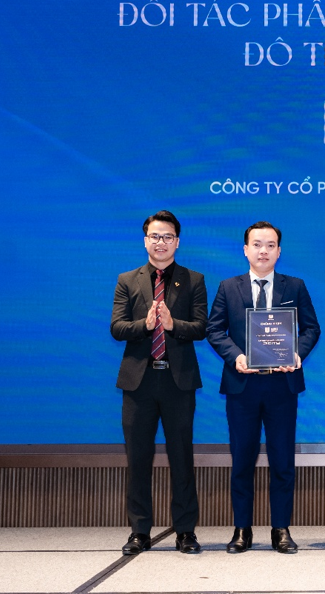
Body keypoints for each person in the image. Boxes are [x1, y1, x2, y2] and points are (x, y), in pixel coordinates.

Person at [207, 221, 321, 554]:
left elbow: (311, 329)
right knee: (242, 460)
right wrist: (236, 356)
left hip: (281, 386)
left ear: (279, 251)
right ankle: (242, 529)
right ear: (245, 250)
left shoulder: (294, 286)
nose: (263, 251)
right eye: (257, 244)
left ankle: (280, 529)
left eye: (270, 245)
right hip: (242, 387)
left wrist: (296, 354)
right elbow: (215, 330)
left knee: (282, 461)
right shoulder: (229, 287)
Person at [111, 210, 208, 556]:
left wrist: (172, 324)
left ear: (177, 242)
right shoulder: (127, 280)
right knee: (138, 459)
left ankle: (186, 531)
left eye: (167, 236)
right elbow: (117, 327)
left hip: (177, 382)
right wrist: (146, 325)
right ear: (145, 241)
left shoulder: (193, 279)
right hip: (138, 382)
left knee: (182, 458)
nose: (161, 242)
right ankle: (139, 531)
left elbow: (201, 327)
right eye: (155, 236)